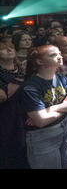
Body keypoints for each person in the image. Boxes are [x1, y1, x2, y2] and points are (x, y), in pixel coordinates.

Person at [21, 45, 67, 169]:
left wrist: (51, 109)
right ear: (39, 61)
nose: (59, 57)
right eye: (53, 55)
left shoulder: (61, 77)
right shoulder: (30, 87)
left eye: (59, 53)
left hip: (65, 127)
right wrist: (65, 107)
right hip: (43, 136)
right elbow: (41, 121)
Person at [0, 38, 28, 168]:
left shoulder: (22, 68)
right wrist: (20, 76)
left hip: (25, 115)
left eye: (11, 47)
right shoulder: (21, 72)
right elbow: (4, 96)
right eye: (3, 48)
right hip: (6, 117)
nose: (9, 49)